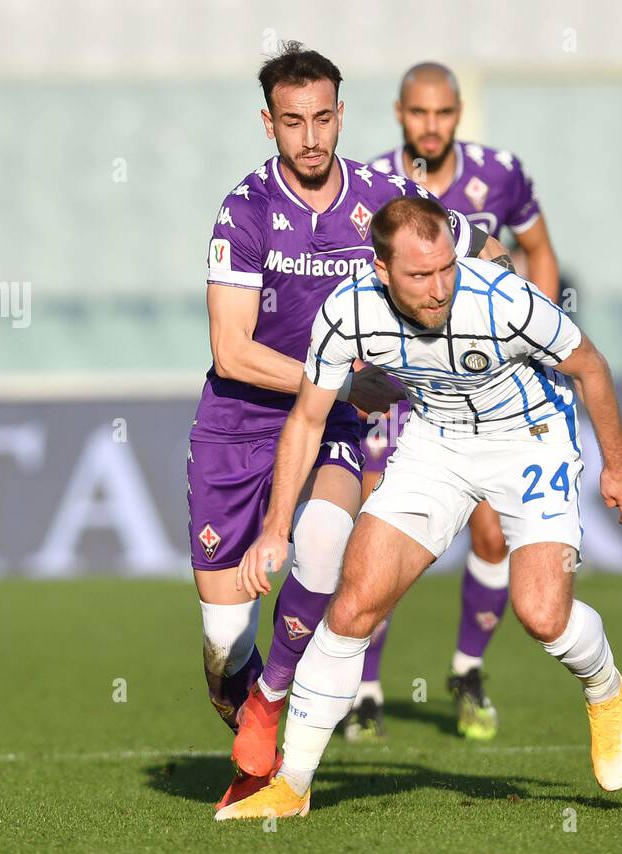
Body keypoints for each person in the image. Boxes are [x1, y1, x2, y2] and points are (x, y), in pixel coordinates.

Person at [217, 196, 622, 820]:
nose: (440, 287)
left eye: (446, 268)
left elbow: (590, 365)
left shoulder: (502, 299)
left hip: (530, 434)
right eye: (420, 275)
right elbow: (308, 419)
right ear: (381, 271)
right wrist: (276, 527)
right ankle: (293, 785)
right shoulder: (348, 313)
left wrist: (620, 463)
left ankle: (604, 690)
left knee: (542, 613)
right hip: (437, 441)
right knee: (355, 602)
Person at [193, 42, 508, 809]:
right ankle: (246, 695)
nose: (311, 137)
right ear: (269, 124)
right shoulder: (244, 212)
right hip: (236, 431)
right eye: (293, 121)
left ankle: (272, 702)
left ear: (341, 116)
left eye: (324, 118)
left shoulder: (383, 195)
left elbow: (476, 248)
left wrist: (504, 311)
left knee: (328, 540)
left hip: (330, 418)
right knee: (222, 640)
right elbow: (231, 351)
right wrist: (331, 375)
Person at [344, 63, 563, 742]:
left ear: (459, 112)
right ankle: (366, 691)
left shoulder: (501, 173)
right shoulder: (374, 185)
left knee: (494, 529)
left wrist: (541, 330)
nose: (430, 126)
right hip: (402, 380)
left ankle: (467, 672)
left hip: (483, 381)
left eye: (442, 113)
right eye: (418, 113)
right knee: (380, 521)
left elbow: (538, 251)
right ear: (399, 114)